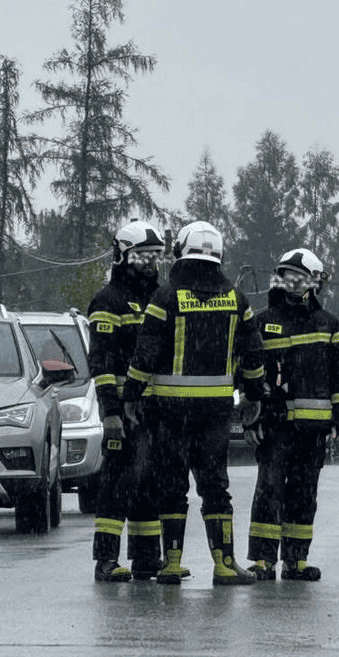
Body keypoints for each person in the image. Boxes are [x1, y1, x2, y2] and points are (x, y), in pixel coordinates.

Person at [123, 220, 266, 585]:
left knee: (173, 485)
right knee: (215, 486)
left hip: (169, 411)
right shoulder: (237, 299)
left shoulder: (165, 297)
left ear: (181, 253)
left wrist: (131, 395)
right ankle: (224, 564)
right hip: (215, 413)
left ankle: (171, 563)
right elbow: (253, 356)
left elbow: (145, 354)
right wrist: (254, 397)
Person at [243, 249, 339, 582]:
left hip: (314, 430)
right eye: (287, 277)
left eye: (300, 278)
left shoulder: (328, 324)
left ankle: (296, 560)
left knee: (304, 495)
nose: (293, 284)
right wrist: (251, 418)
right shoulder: (262, 322)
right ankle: (263, 560)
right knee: (269, 490)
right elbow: (248, 375)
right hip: (274, 427)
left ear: (315, 282)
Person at [86, 220, 165, 582]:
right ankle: (106, 559)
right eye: (141, 255)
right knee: (117, 482)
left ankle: (146, 557)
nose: (150, 262)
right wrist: (110, 412)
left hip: (156, 409)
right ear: (122, 255)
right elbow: (101, 361)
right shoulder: (108, 300)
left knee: (149, 481)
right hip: (122, 410)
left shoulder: (160, 297)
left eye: (154, 255)